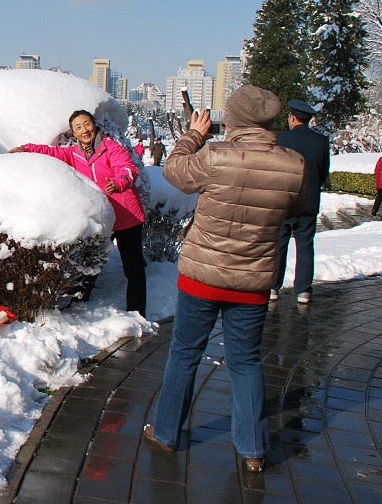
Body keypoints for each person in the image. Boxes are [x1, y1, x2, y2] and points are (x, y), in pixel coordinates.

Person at [143, 86, 308, 473]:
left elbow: (174, 172)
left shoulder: (216, 156)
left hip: (203, 276)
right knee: (246, 361)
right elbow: (294, 205)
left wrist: (194, 135)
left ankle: (166, 432)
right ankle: (252, 448)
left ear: (233, 120)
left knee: (185, 353)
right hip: (253, 280)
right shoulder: (294, 164)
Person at [10, 109, 147, 315]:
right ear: (73, 132)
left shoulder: (111, 148)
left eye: (87, 124)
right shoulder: (75, 154)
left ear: (94, 125)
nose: (84, 130)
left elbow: (127, 169)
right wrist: (27, 148)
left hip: (127, 216)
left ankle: (137, 312)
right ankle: (81, 304)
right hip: (103, 218)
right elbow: (51, 152)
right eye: (78, 127)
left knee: (133, 267)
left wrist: (118, 183)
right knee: (90, 262)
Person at [274, 99, 330, 305]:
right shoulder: (322, 142)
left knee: (280, 244)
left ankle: (273, 286)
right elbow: (323, 173)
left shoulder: (281, 139)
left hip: (285, 201)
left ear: (292, 117)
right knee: (305, 245)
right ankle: (303, 290)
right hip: (309, 201)